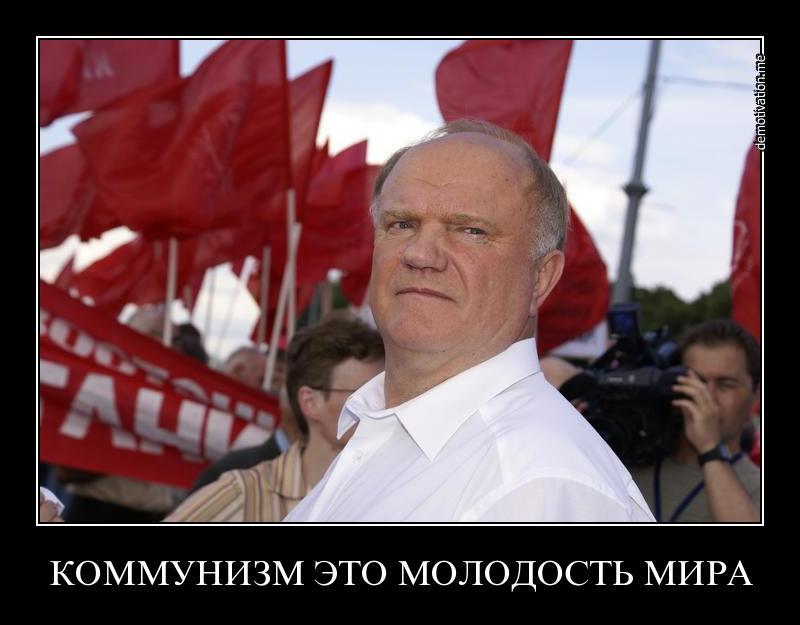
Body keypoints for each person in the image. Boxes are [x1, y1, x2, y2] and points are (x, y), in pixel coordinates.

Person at [284, 119, 653, 522]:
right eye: (401, 223)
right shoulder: (382, 429)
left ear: (541, 278)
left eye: (471, 231)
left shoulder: (536, 484)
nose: (420, 254)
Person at [164, 314, 385, 522]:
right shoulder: (246, 493)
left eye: (385, 392)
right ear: (310, 402)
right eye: (363, 394)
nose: (383, 405)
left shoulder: (387, 490)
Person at [629, 319, 761, 522]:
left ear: (756, 397)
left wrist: (709, 448)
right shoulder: (631, 466)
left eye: (726, 384)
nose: (706, 396)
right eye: (695, 381)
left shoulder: (756, 486)